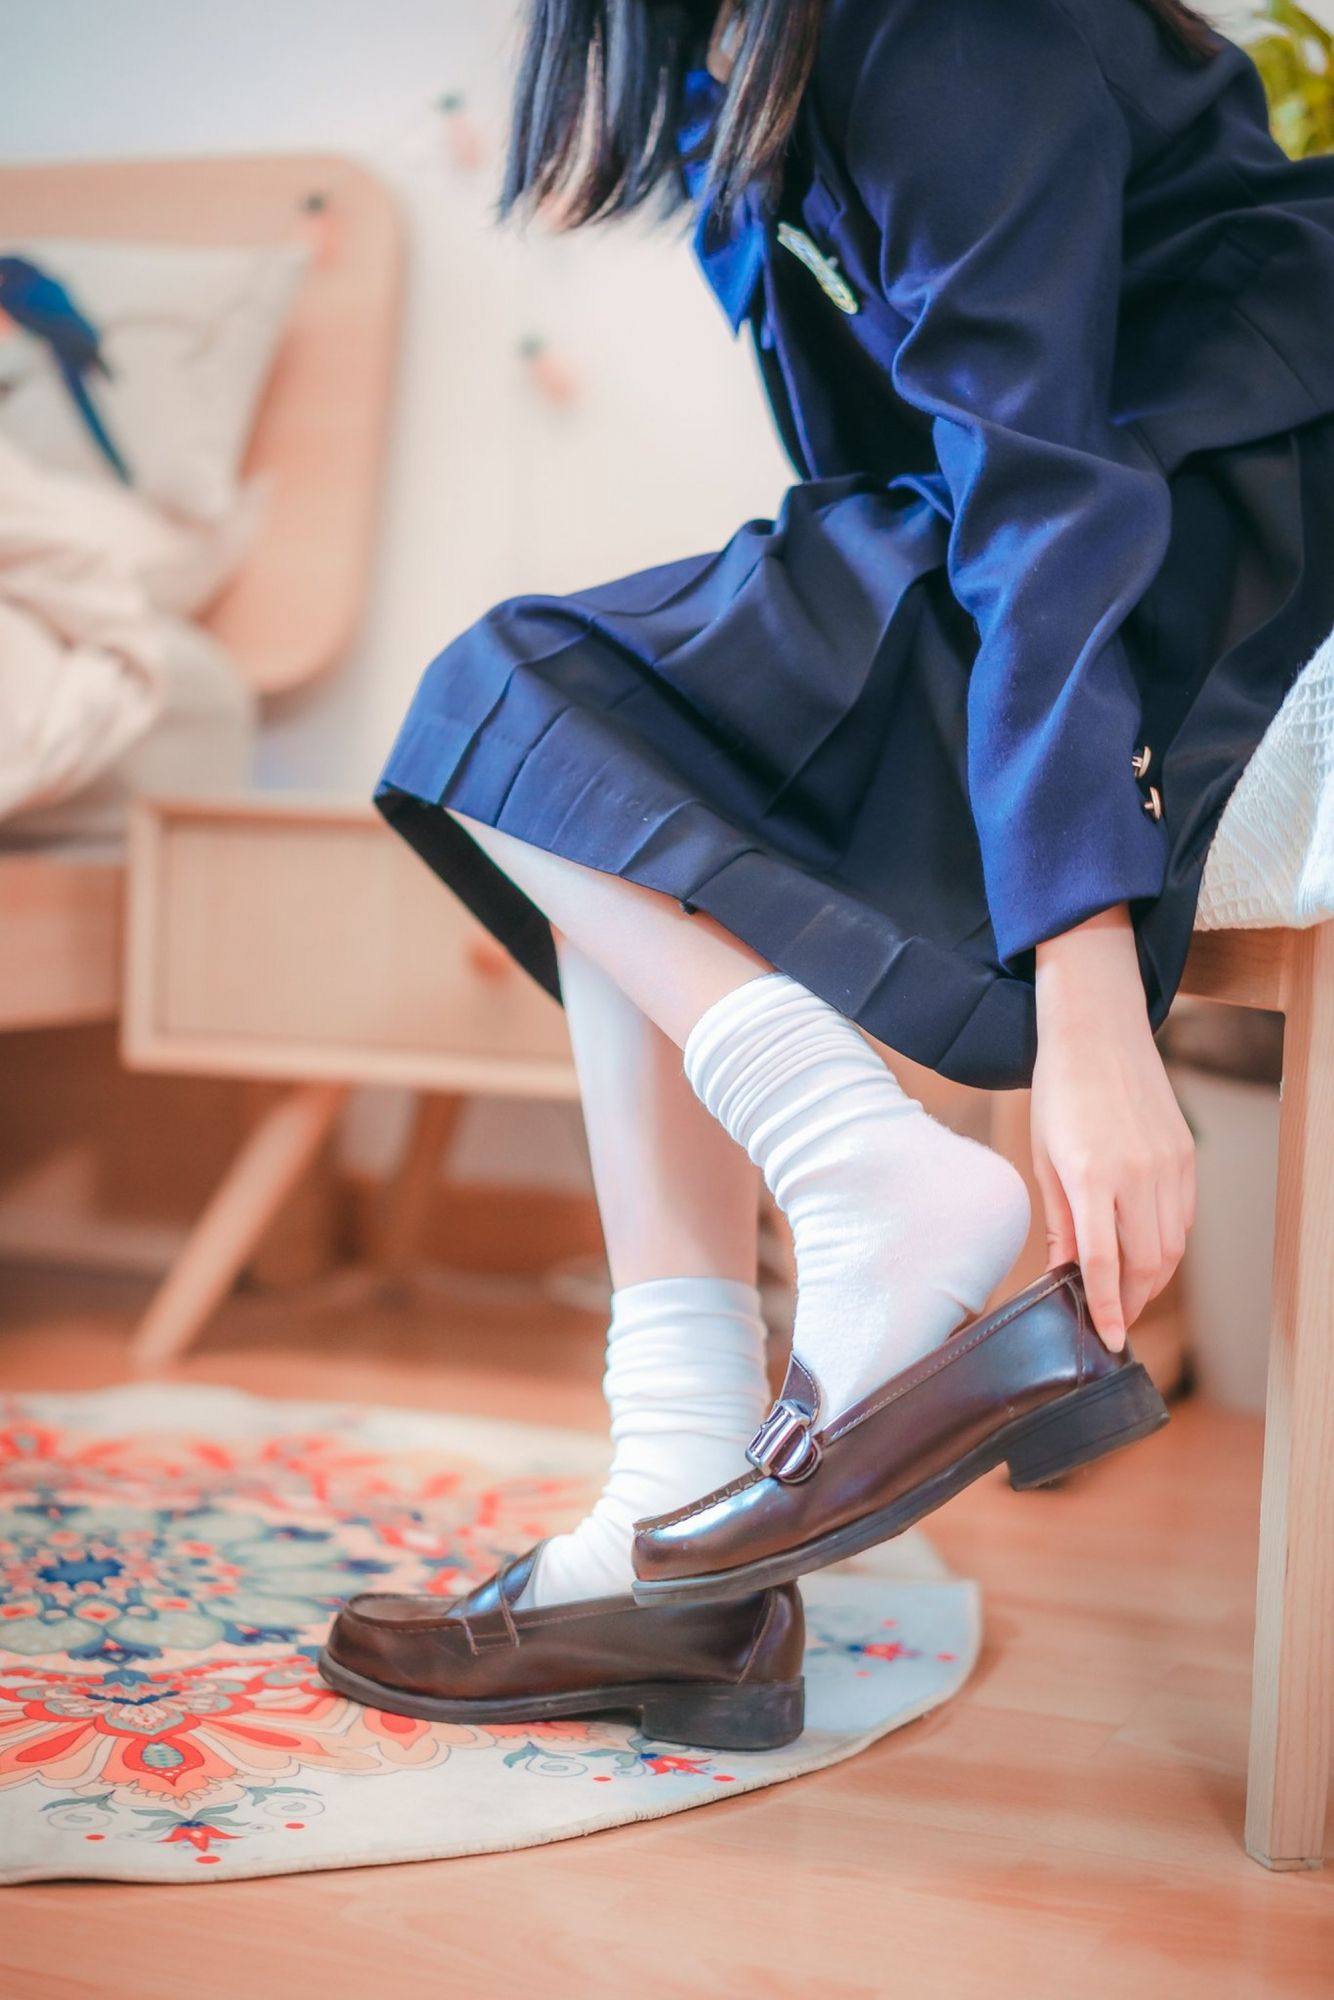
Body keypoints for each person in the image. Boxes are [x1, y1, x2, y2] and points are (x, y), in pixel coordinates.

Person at [319, 0, 1334, 1749]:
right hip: (1073, 504)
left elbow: (1041, 492)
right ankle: (676, 1524)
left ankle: (861, 1186)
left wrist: (1093, 1005)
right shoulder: (737, 67)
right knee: (610, 749)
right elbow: (902, 458)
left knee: (521, 695)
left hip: (1228, 514)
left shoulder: (941, 19)